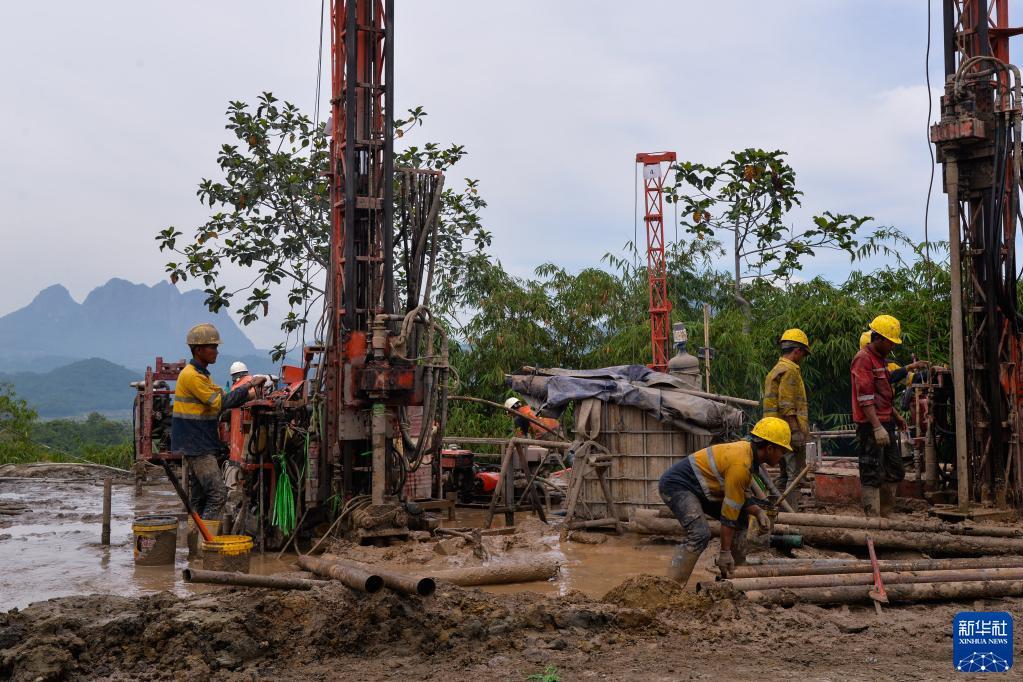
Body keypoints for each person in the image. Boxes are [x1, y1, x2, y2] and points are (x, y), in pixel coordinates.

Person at [657, 417, 790, 586]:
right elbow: (729, 513)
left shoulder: (747, 456)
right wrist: (724, 551)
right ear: (770, 448)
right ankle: (671, 587)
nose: (783, 456)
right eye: (782, 451)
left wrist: (757, 512)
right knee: (700, 534)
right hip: (678, 485)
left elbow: (739, 496)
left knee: (742, 519)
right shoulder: (741, 464)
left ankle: (735, 575)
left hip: (701, 488)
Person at [172, 323, 266, 530]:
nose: (216, 351)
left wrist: (250, 394)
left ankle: (195, 540)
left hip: (198, 441)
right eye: (212, 347)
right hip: (197, 444)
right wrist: (249, 385)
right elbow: (220, 402)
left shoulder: (202, 375)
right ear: (199, 350)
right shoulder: (192, 376)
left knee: (199, 498)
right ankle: (208, 541)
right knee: (218, 494)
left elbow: (223, 396)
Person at [851, 315, 908, 518]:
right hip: (870, 425)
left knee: (895, 470)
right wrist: (876, 427)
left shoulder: (880, 359)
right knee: (871, 472)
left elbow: (882, 393)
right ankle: (873, 518)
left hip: (886, 422)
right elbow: (865, 398)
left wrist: (895, 415)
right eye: (890, 342)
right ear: (879, 339)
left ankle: (885, 515)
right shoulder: (863, 359)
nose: (892, 346)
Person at [762, 328, 811, 509]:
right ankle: (791, 512)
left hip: (773, 431)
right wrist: (795, 432)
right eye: (803, 353)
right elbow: (786, 404)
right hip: (787, 430)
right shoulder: (790, 370)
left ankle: (775, 508)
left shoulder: (776, 369)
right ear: (797, 351)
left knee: (783, 474)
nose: (803, 358)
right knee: (794, 475)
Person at [858, 331, 928, 386]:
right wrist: (910, 366)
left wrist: (929, 373)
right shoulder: (862, 364)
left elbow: (912, 378)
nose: (891, 346)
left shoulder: (888, 365)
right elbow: (886, 379)